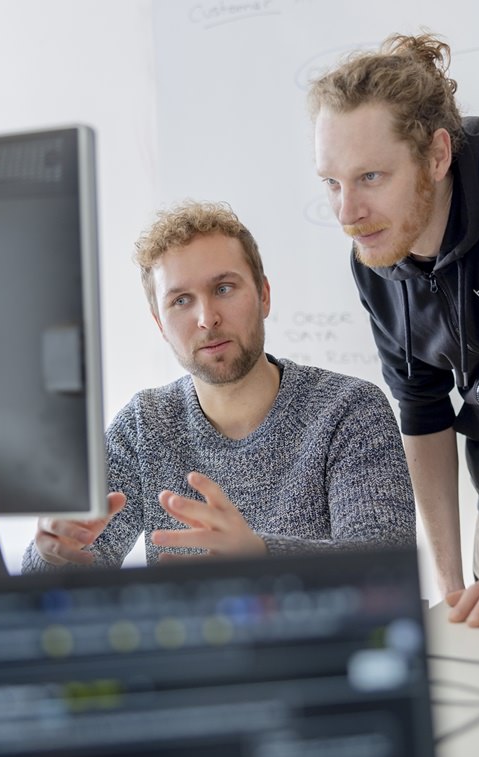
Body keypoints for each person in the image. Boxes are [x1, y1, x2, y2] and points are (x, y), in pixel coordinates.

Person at [22, 200, 415, 572]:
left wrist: (259, 554)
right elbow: (62, 578)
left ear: (263, 295)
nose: (207, 318)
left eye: (224, 289)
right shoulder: (145, 425)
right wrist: (51, 555)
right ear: (160, 324)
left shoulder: (350, 410)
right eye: (180, 301)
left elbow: (386, 567)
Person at [309, 33, 479, 627]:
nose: (347, 213)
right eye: (332, 182)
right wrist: (451, 586)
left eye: (371, 177)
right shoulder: (377, 257)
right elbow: (423, 410)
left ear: (437, 156)